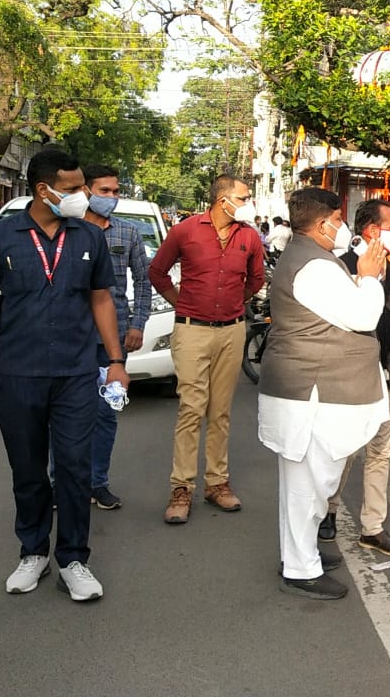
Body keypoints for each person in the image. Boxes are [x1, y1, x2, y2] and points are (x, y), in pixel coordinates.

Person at [0, 149, 128, 601]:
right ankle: (33, 552)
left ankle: (73, 559)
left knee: (73, 469)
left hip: (74, 374)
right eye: (71, 189)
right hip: (18, 373)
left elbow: (102, 300)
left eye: (81, 187)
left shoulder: (89, 236)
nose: (81, 196)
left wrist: (115, 363)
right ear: (43, 190)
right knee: (28, 470)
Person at [257, 187, 390, 599]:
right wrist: (368, 277)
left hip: (312, 392)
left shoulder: (312, 258)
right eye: (338, 218)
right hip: (310, 394)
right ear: (323, 223)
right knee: (307, 483)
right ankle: (300, 569)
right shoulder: (313, 265)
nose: (342, 226)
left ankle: (301, 552)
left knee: (313, 482)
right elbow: (363, 315)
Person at [149, 175, 266, 524]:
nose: (248, 203)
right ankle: (181, 487)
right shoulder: (185, 231)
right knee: (191, 408)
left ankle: (217, 483)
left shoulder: (249, 237)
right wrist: (182, 302)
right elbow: (158, 272)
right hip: (192, 331)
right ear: (222, 199)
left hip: (231, 331)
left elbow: (256, 280)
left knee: (221, 411)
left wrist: (234, 301)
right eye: (243, 197)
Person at [317, 199, 390, 557]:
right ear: (373, 231)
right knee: (344, 448)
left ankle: (372, 528)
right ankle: (327, 512)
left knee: (380, 452)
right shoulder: (339, 267)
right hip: (351, 376)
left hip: (389, 373)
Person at [79, 164, 150, 510]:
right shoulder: (68, 232)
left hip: (114, 341)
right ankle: (59, 482)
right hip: (72, 337)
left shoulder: (129, 233)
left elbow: (144, 281)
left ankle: (97, 483)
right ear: (86, 192)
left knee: (107, 412)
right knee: (65, 413)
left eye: (116, 191)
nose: (112, 197)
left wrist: (138, 324)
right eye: (104, 191)